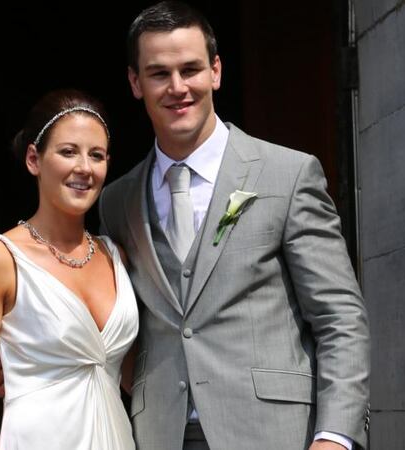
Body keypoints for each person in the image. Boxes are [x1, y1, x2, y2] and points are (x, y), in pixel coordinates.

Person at [99, 2, 371, 449]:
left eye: (191, 69)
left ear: (216, 71)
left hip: (273, 432)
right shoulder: (117, 201)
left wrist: (335, 435)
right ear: (135, 82)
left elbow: (339, 316)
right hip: (159, 434)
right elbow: (106, 312)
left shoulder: (288, 173)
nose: (178, 87)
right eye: (159, 73)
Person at [0, 89, 138, 450]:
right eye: (68, 152)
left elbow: (137, 376)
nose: (84, 167)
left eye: (96, 155)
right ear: (34, 159)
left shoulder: (116, 256)